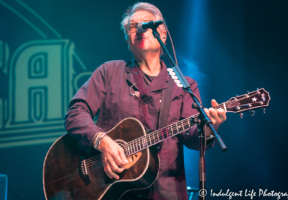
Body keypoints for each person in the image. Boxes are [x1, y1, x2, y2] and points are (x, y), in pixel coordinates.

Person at [64, 2, 226, 200]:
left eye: (146, 24)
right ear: (127, 39)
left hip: (165, 192)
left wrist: (210, 127)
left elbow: (193, 138)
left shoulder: (184, 85)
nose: (139, 29)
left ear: (163, 34)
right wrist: (102, 142)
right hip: (111, 191)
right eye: (133, 26)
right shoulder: (109, 72)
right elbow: (76, 113)